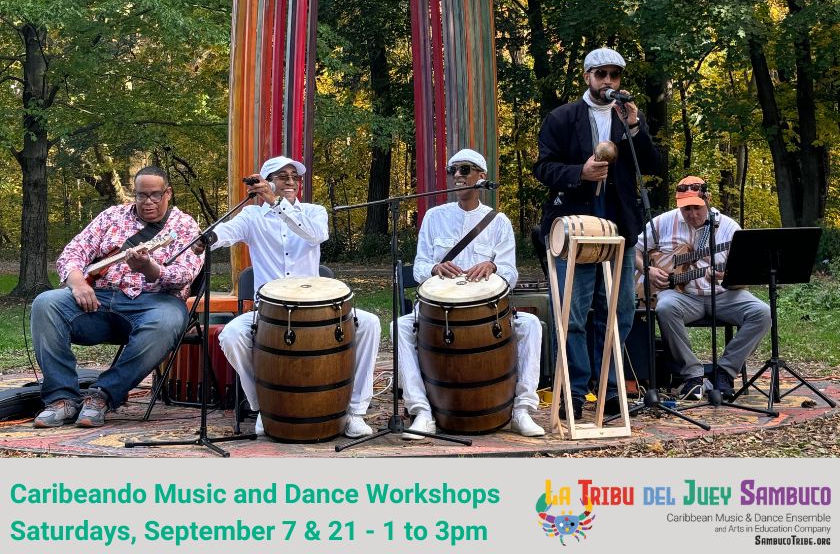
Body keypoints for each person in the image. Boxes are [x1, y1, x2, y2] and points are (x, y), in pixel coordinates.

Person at [197, 156, 379, 439]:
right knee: (231, 335)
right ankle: (264, 407)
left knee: (370, 323)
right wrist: (206, 239)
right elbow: (226, 232)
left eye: (295, 176)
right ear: (268, 182)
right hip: (268, 312)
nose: (291, 181)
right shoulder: (251, 216)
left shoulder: (313, 212)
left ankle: (355, 410)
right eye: (282, 176)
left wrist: (275, 203)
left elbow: (315, 235)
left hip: (316, 310)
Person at [532, 47, 660, 418]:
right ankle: (573, 390)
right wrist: (579, 173)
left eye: (614, 75)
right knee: (572, 312)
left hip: (618, 228)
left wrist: (635, 127)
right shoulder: (562, 117)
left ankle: (610, 387)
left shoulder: (626, 118)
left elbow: (651, 165)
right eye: (600, 74)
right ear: (587, 77)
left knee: (618, 312)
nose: (608, 81)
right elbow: (542, 168)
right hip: (573, 229)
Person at [31, 166, 203, 428]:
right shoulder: (111, 216)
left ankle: (102, 395)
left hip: (153, 304)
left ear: (168, 193)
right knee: (46, 303)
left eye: (155, 195)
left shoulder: (184, 226)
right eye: (141, 195)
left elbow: (184, 274)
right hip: (98, 301)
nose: (147, 202)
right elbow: (72, 253)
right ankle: (61, 398)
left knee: (168, 319)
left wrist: (149, 267)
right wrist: (77, 284)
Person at [394, 148, 545, 438]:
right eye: (453, 171)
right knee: (400, 326)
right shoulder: (434, 217)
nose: (458, 176)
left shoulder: (498, 221)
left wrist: (492, 265)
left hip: (485, 314)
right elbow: (419, 268)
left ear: (481, 176)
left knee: (531, 326)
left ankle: (522, 409)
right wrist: (436, 268)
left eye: (465, 169)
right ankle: (421, 411)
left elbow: (510, 274)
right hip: (439, 312)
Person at [636, 176, 771, 400]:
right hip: (683, 295)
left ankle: (724, 372)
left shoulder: (728, 227)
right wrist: (647, 269)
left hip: (724, 294)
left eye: (696, 208)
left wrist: (727, 277)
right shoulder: (661, 223)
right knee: (666, 306)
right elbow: (636, 251)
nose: (691, 214)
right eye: (685, 209)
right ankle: (692, 375)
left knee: (762, 313)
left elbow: (743, 279)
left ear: (707, 201)